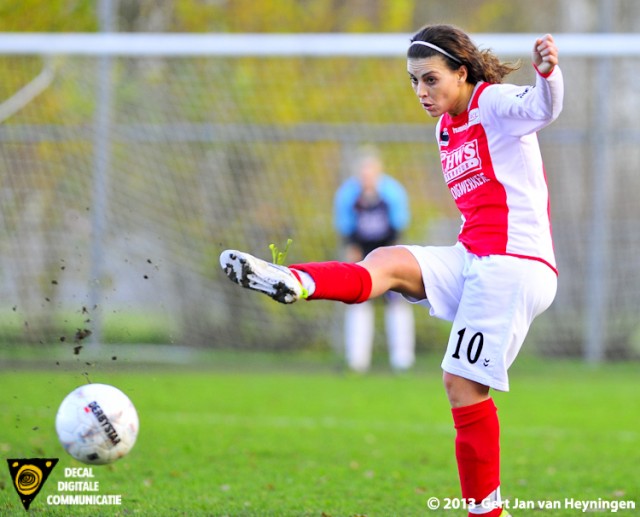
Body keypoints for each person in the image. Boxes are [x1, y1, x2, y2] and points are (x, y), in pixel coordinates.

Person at [220, 23, 563, 517]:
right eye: (413, 81)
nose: (421, 92)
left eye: (430, 79)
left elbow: (542, 108)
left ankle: (487, 513)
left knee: (461, 384)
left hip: (515, 263)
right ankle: (294, 280)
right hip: (473, 256)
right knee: (387, 262)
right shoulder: (445, 127)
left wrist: (549, 74)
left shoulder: (492, 102)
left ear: (461, 72)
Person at [334, 146, 415, 372]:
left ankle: (402, 360)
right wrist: (354, 251)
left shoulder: (392, 192)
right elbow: (346, 228)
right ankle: (357, 360)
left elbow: (398, 226)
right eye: (363, 174)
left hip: (387, 249)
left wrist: (390, 260)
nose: (367, 179)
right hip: (362, 251)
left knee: (396, 300)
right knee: (359, 298)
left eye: (371, 173)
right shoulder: (348, 194)